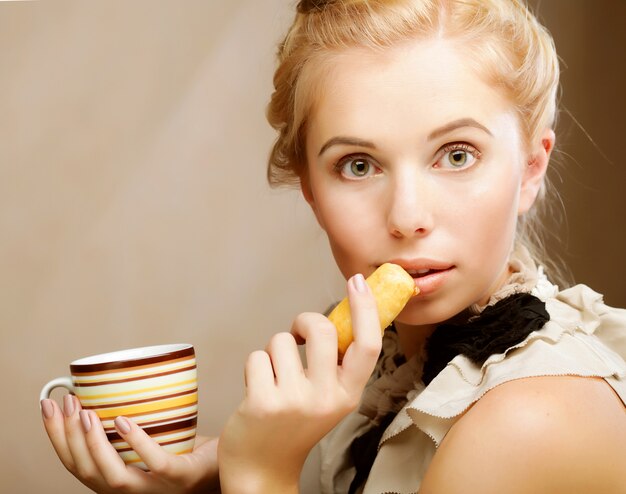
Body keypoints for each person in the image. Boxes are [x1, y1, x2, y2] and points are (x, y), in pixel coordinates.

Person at [40, 0, 626, 492]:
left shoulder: (529, 418)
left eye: (456, 155)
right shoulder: (377, 371)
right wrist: (205, 475)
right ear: (310, 190)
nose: (407, 217)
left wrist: (261, 473)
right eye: (358, 164)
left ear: (530, 169)